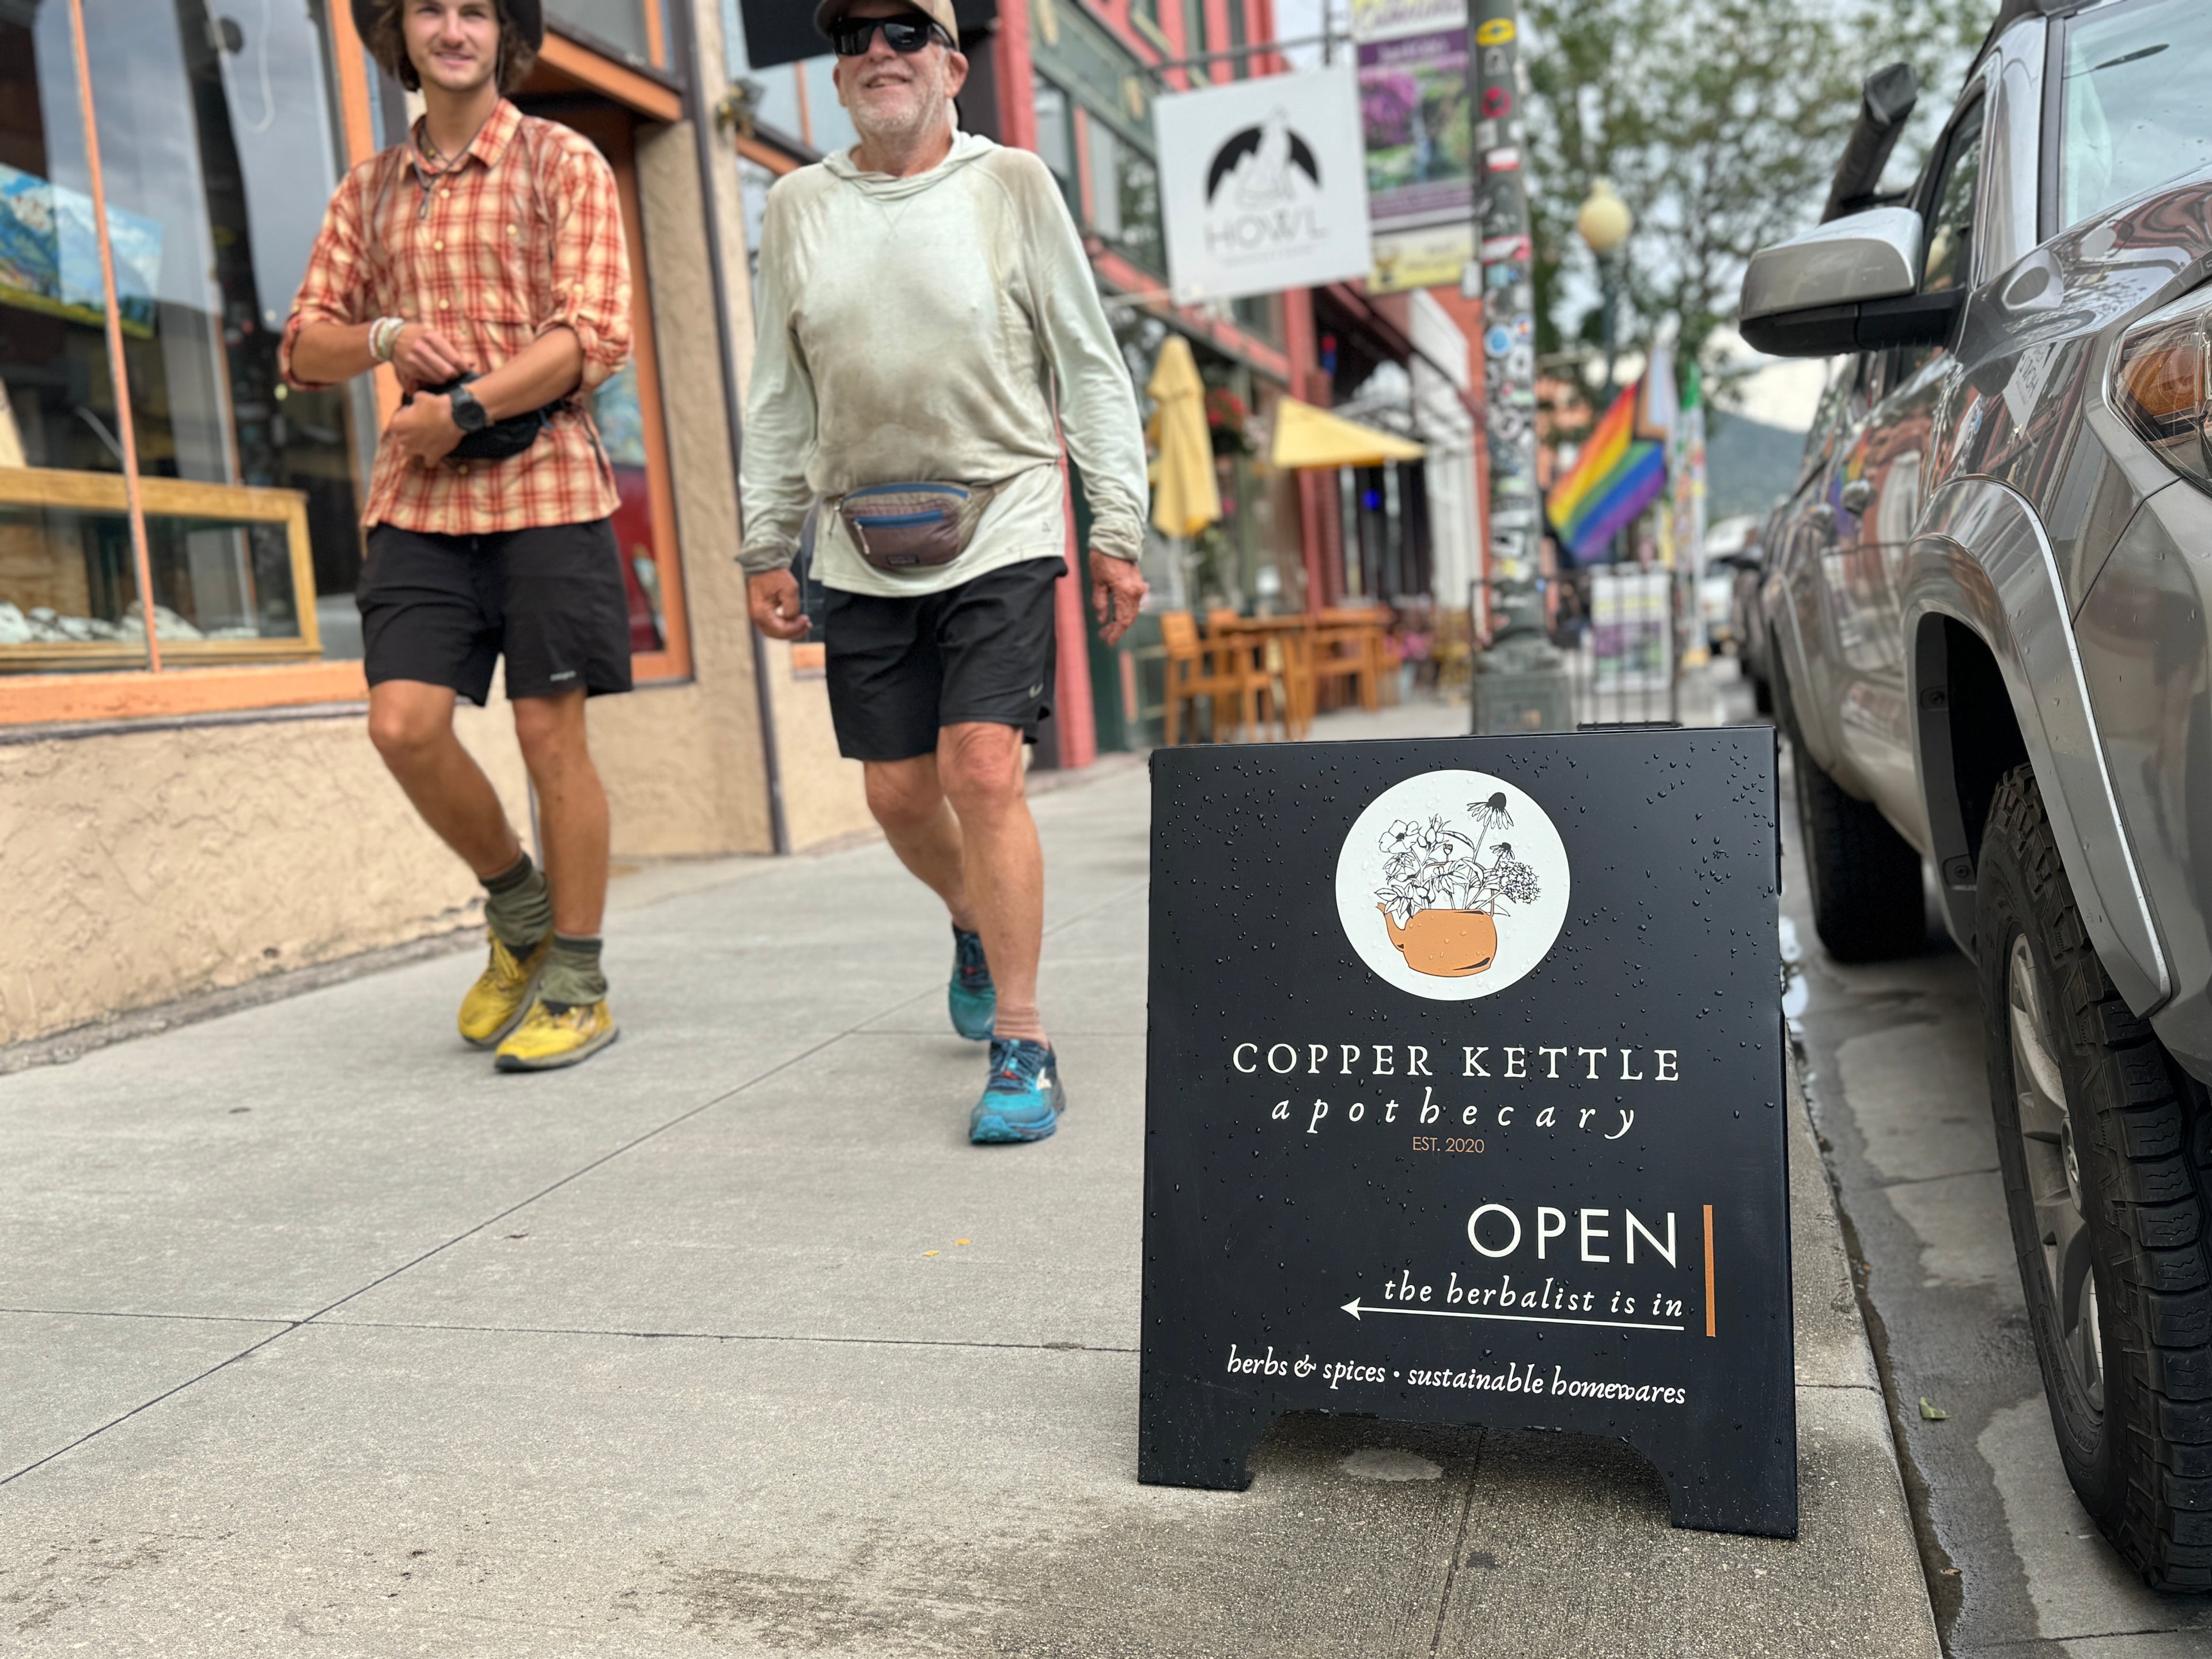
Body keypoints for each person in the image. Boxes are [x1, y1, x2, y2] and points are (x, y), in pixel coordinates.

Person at [739, 0, 1150, 1145]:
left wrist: (1116, 522)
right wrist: (763, 541)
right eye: (856, 36)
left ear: (954, 64)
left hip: (1004, 514)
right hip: (857, 536)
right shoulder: (797, 206)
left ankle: (1024, 1039)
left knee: (980, 770)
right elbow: (780, 393)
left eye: (907, 32)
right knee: (895, 794)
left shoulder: (1012, 184)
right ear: (834, 75)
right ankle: (971, 916)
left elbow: (1091, 367)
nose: (880, 51)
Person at [282, 0, 634, 1071]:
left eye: (475, 10)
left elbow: (594, 334)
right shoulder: (367, 189)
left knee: (548, 740)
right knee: (403, 726)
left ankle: (575, 977)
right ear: (400, 34)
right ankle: (519, 912)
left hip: (547, 490)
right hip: (419, 503)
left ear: (503, 35)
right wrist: (382, 334)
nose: (453, 28)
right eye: (431, 9)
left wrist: (469, 409)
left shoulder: (560, 160)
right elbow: (305, 347)